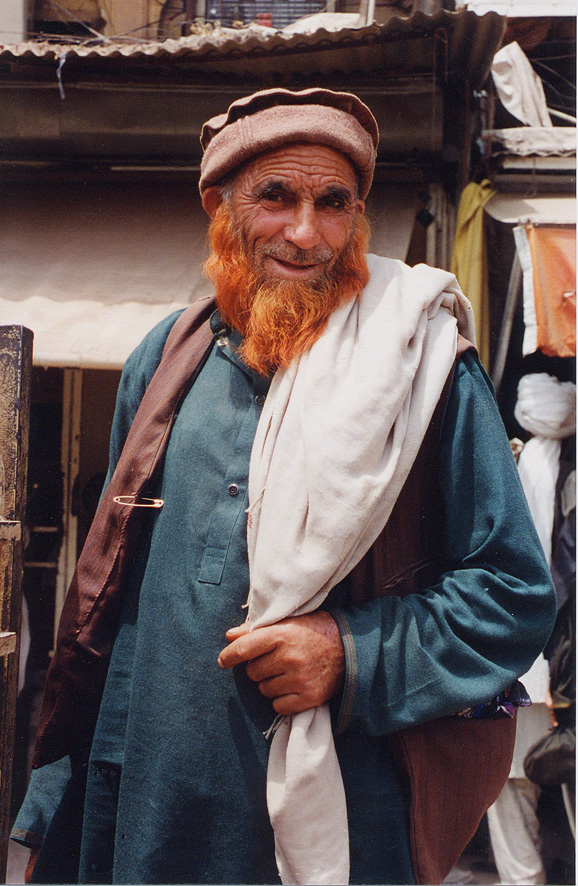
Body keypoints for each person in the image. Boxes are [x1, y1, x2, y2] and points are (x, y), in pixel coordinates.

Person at [12, 88, 556, 886]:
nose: (306, 234)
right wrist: (59, 794)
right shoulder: (164, 360)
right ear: (220, 205)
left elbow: (513, 595)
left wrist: (351, 652)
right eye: (277, 197)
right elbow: (108, 602)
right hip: (146, 813)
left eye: (332, 204)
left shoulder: (425, 367)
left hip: (339, 818)